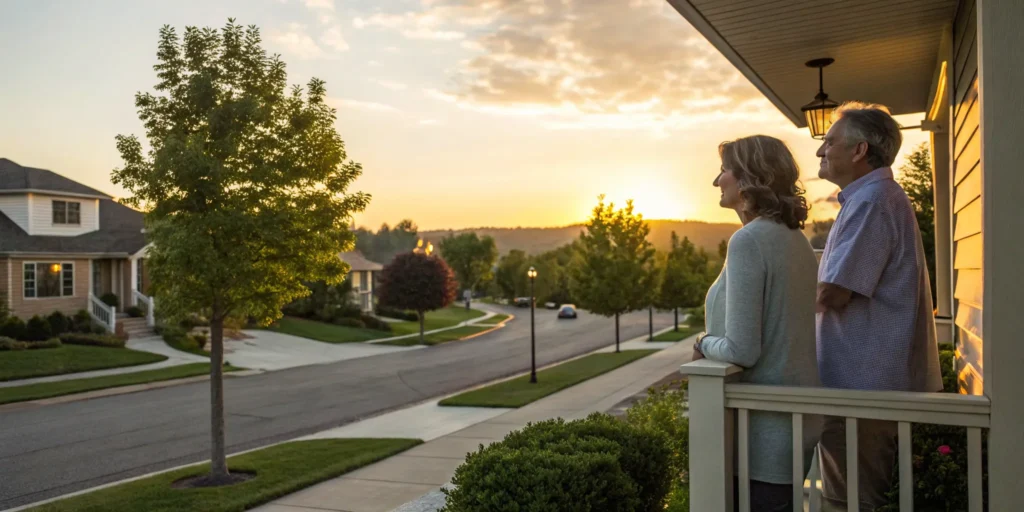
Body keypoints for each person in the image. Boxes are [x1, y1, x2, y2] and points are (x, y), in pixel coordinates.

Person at [814, 103, 942, 511]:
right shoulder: (872, 199)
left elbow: (832, 292)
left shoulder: (872, 203)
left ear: (859, 150)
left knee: (851, 501)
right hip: (860, 384)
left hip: (861, 387)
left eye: (829, 141)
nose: (821, 151)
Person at [692, 134, 821, 512]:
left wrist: (703, 342)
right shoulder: (794, 238)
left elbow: (741, 350)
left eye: (723, 170)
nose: (717, 181)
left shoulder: (749, 241)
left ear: (750, 177)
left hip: (764, 431)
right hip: (791, 422)